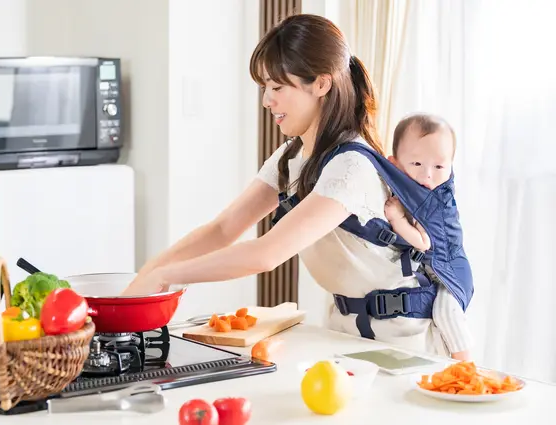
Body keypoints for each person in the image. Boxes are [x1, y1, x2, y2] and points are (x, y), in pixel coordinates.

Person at [122, 14, 460, 358]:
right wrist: (135, 291)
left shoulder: (351, 166)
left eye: (277, 87)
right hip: (347, 333)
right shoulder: (292, 155)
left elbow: (267, 254)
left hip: (403, 342)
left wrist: (167, 276)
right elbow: (223, 229)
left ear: (321, 84)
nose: (267, 100)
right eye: (265, 88)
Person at [384, 113, 473, 360]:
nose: (427, 176)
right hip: (433, 270)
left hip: (451, 271)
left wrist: (397, 219)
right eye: (416, 164)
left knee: (446, 312)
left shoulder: (434, 201)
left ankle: (467, 369)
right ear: (395, 164)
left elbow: (423, 242)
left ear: (450, 167)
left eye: (439, 167)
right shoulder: (412, 190)